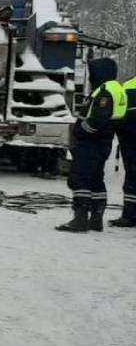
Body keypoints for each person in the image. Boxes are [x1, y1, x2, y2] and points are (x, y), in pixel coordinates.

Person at [57, 57, 125, 233]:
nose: (91, 76)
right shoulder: (115, 89)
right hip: (102, 143)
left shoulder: (105, 91)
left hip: (91, 143)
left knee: (80, 178)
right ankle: (96, 218)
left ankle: (80, 219)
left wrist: (81, 132)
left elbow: (97, 120)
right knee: (96, 179)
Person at [104, 69, 136, 228]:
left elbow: (122, 115)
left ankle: (130, 215)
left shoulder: (129, 86)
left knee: (132, 177)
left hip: (130, 140)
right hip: (129, 138)